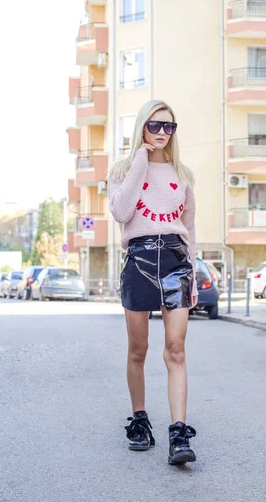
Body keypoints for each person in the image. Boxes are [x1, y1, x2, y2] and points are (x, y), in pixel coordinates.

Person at [108, 100, 198, 466]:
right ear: (142, 126)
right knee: (138, 350)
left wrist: (192, 274)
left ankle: (179, 432)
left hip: (177, 261)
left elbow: (190, 228)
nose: (162, 133)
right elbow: (120, 212)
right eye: (155, 125)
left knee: (176, 349)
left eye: (169, 127)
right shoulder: (123, 170)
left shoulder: (183, 173)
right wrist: (140, 162)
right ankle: (140, 420)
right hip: (140, 260)